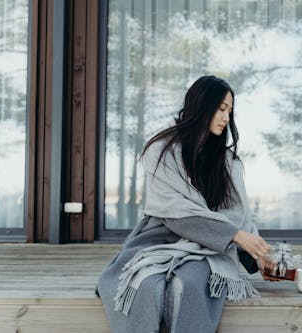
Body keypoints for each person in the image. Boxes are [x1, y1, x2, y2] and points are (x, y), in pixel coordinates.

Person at [96, 75, 273, 333]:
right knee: (148, 286)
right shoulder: (161, 151)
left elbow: (240, 216)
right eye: (221, 109)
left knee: (186, 284)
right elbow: (174, 213)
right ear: (202, 106)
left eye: (230, 112)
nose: (226, 118)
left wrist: (258, 257)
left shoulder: (227, 163)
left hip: (207, 246)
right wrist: (234, 235)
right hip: (159, 238)